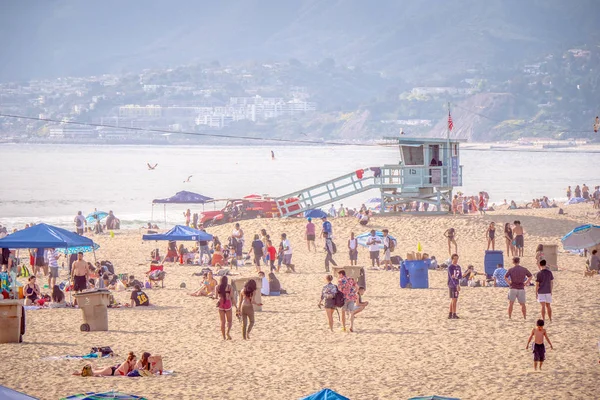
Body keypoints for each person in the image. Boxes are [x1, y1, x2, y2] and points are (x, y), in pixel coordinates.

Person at [216, 276, 233, 340]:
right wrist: (236, 306)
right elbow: (232, 297)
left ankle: (223, 337)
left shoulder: (217, 287)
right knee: (229, 321)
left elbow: (216, 296)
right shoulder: (229, 287)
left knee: (222, 321)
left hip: (221, 303)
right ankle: (228, 332)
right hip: (227, 303)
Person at [447, 254, 462, 319]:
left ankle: (450, 313)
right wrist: (456, 285)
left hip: (457, 284)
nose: (456, 260)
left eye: (457, 259)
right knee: (454, 299)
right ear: (452, 259)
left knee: (454, 299)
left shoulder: (458, 267)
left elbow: (460, 276)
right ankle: (454, 314)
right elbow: (451, 277)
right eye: (454, 259)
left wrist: (458, 284)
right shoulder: (450, 267)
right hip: (452, 284)